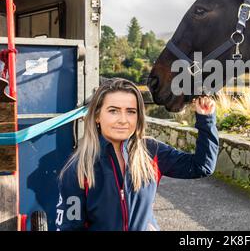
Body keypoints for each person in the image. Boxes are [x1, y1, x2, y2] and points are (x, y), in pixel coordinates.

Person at [56, 78, 219, 231]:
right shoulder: (78, 167)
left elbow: (201, 166)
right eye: (113, 111)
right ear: (98, 116)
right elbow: (69, 227)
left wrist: (206, 120)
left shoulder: (151, 151)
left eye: (131, 111)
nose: (123, 120)